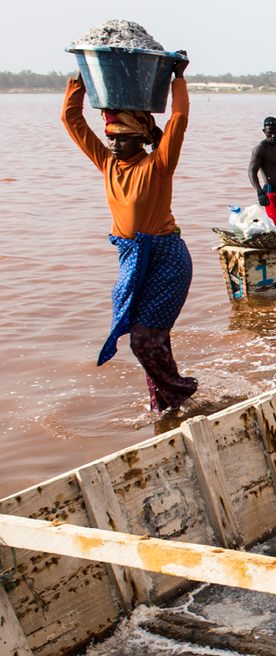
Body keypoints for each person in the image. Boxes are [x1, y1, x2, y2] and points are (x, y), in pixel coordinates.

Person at [61, 53, 198, 413]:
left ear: (140, 138)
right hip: (132, 258)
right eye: (112, 138)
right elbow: (71, 119)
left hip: (168, 259)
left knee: (143, 340)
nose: (114, 144)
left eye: (122, 138)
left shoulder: (158, 165)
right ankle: (166, 408)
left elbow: (179, 120)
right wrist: (81, 79)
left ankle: (182, 391)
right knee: (154, 340)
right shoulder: (106, 163)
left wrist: (177, 80)